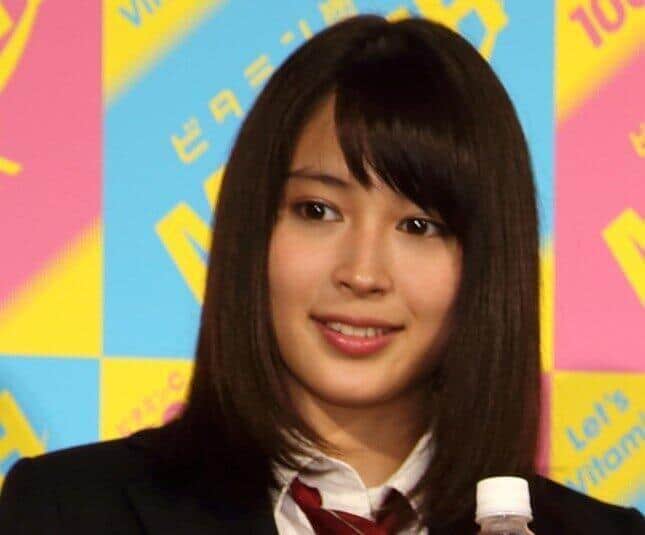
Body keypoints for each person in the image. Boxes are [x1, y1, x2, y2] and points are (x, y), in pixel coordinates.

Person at [0, 14, 642, 535]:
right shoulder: (69, 511)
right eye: (318, 211)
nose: (362, 273)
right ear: (254, 231)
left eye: (419, 225)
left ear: (486, 264)